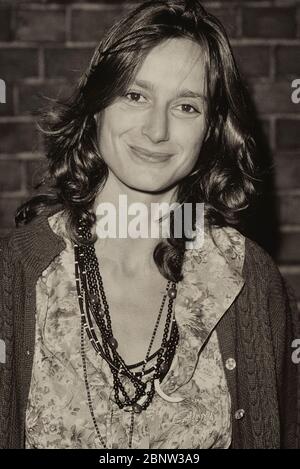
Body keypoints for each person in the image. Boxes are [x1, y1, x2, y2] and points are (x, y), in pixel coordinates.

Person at [0, 0, 299, 450]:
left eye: (186, 107)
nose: (157, 130)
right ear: (98, 106)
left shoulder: (248, 279)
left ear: (211, 129)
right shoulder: (18, 271)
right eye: (135, 96)